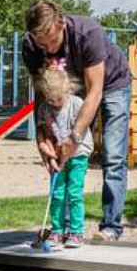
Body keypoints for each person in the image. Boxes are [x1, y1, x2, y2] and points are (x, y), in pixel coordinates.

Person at [23, 0, 132, 242]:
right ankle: (67, 227)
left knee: (113, 156)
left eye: (52, 41)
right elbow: (41, 98)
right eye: (42, 43)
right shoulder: (30, 45)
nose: (48, 49)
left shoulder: (87, 33)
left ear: (62, 24)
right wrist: (44, 142)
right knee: (62, 157)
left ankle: (111, 226)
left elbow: (95, 91)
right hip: (68, 90)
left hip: (111, 85)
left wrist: (74, 137)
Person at [34, 65, 93, 249]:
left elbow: (78, 137)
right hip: (58, 157)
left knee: (74, 193)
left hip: (78, 154)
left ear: (66, 90)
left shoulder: (76, 104)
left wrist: (63, 158)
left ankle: (76, 232)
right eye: (50, 100)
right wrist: (50, 156)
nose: (54, 103)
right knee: (57, 194)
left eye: (57, 99)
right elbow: (45, 135)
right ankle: (57, 230)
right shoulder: (44, 108)